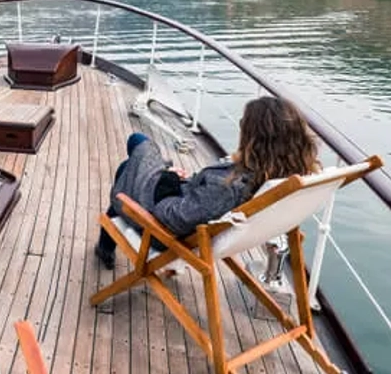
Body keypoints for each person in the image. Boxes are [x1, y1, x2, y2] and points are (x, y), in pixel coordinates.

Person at [94, 96, 320, 270]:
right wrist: (184, 179)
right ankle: (105, 246)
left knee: (135, 152)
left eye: (244, 124)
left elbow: (175, 218)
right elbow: (201, 204)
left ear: (256, 138)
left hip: (162, 227)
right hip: (185, 203)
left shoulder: (229, 186)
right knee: (137, 156)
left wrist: (169, 178)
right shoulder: (276, 176)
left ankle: (106, 244)